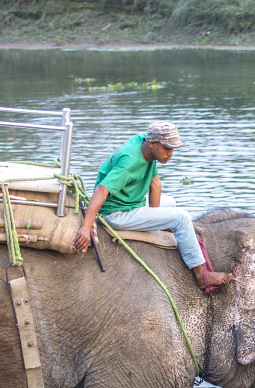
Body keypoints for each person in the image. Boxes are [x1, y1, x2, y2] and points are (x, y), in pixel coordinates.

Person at [73, 121, 233, 291]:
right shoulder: (130, 161)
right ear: (152, 144)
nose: (171, 153)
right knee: (181, 217)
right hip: (117, 213)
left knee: (170, 202)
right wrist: (86, 226)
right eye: (167, 148)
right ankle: (201, 276)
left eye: (173, 148)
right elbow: (101, 190)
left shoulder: (145, 144)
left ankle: (162, 227)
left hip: (132, 201)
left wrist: (155, 219)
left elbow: (155, 183)